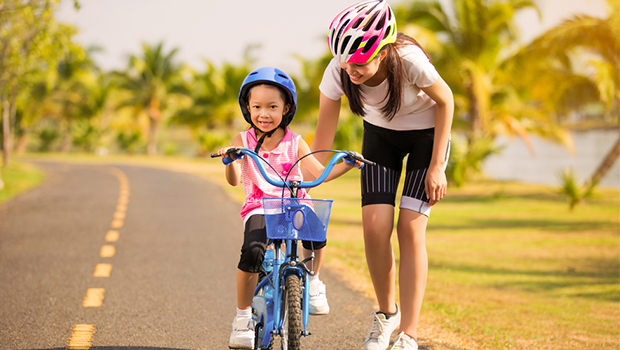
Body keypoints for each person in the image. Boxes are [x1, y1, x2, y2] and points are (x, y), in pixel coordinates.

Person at [311, 1, 454, 349]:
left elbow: (446, 101)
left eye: (359, 62)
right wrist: (304, 176)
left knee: (409, 227)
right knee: (375, 227)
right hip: (380, 138)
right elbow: (320, 146)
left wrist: (437, 166)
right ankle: (386, 316)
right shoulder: (338, 70)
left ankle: (409, 333)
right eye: (346, 61)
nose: (351, 69)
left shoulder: (409, 61)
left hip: (426, 138)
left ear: (383, 50)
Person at [217, 66, 363, 349]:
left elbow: (319, 172)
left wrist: (346, 164)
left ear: (286, 109)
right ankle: (242, 319)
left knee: (316, 232)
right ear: (247, 108)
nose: (264, 113)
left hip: (294, 204)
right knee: (253, 251)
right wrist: (231, 160)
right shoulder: (243, 141)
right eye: (257, 106)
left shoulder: (295, 142)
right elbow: (235, 180)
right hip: (260, 206)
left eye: (272, 106)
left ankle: (315, 281)